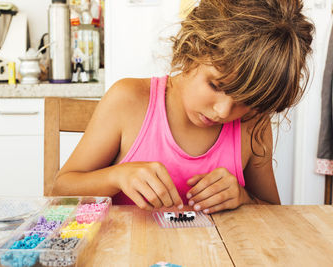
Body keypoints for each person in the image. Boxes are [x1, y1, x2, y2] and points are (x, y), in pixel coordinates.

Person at [52, 0, 314, 214]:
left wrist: (243, 197)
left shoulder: (252, 123)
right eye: (216, 85)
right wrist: (117, 176)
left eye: (246, 100)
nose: (223, 112)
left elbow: (274, 212)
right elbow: (61, 188)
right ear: (190, 50)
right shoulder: (128, 100)